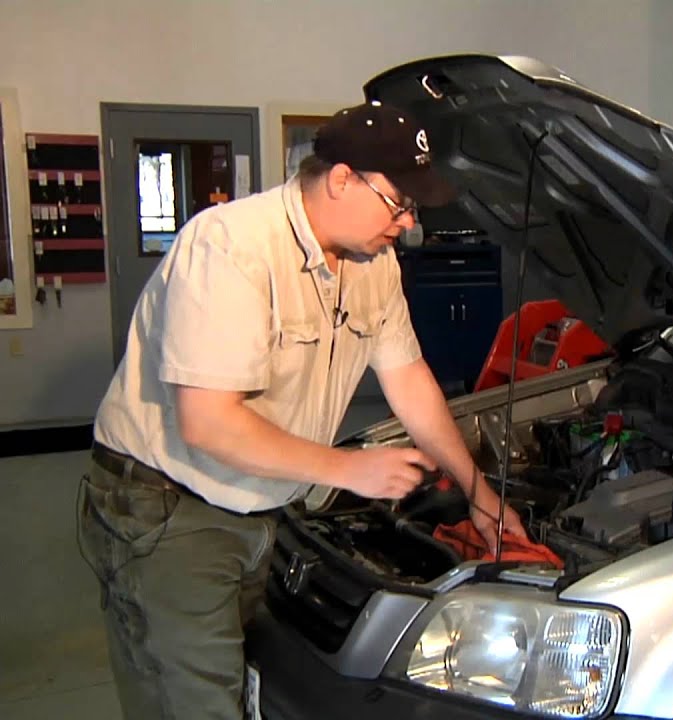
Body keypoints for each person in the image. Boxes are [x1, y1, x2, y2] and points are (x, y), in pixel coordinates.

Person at [76, 101, 527, 720]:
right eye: (398, 203)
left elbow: (408, 378)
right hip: (169, 508)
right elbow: (207, 422)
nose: (406, 225)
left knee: (248, 683)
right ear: (342, 180)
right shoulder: (231, 248)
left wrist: (477, 490)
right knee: (193, 702)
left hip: (262, 505)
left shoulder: (375, 265)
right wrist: (347, 469)